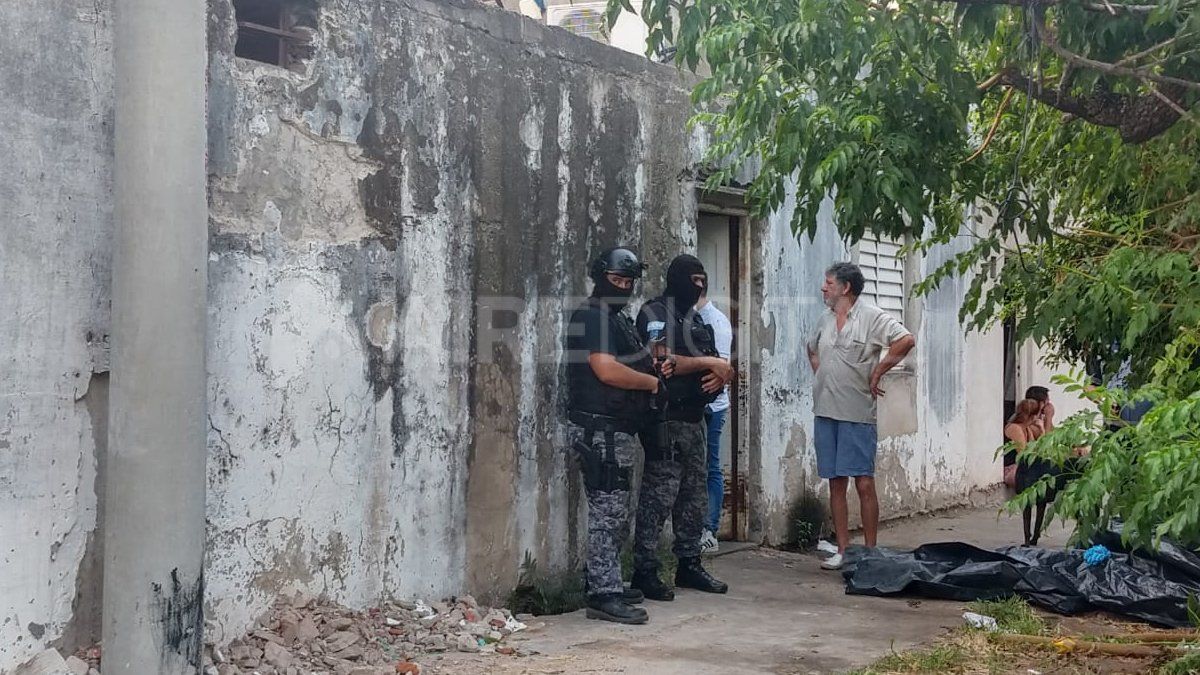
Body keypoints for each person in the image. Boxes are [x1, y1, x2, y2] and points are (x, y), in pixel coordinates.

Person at [564, 247, 673, 624]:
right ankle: (602, 594)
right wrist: (651, 384)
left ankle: (604, 579)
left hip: (614, 427)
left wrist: (655, 368)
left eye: (628, 282)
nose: (623, 287)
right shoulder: (593, 316)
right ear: (600, 277)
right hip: (601, 429)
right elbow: (606, 370)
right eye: (617, 280)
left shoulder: (615, 317)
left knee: (614, 510)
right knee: (608, 513)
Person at [631, 254, 733, 600]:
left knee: (694, 497)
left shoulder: (698, 320)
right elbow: (662, 361)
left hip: (696, 419)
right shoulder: (654, 314)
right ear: (677, 279)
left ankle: (689, 564)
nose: (699, 287)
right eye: (694, 281)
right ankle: (644, 569)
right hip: (666, 421)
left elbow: (722, 367)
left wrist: (719, 378)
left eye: (703, 281)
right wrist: (709, 363)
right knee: (659, 498)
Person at [807, 262, 915, 570]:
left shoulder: (870, 317)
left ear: (845, 288)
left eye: (828, 283)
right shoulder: (825, 319)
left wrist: (879, 371)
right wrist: (821, 378)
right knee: (835, 481)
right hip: (825, 411)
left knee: (864, 482)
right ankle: (842, 549)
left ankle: (869, 552)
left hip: (857, 413)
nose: (823, 288)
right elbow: (811, 349)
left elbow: (906, 340)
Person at [696, 286, 733, 553]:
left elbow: (720, 371)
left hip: (713, 407)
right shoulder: (685, 318)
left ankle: (710, 530)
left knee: (711, 466)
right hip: (694, 405)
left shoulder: (716, 321)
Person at [1005, 398, 1055, 546]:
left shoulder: (1027, 428)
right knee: (1032, 483)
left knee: (1041, 487)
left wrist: (1041, 430)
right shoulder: (1015, 428)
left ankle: (1035, 535)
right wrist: (1044, 426)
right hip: (1012, 467)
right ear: (1032, 415)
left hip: (1025, 467)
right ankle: (1028, 535)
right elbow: (1025, 454)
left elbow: (1040, 450)